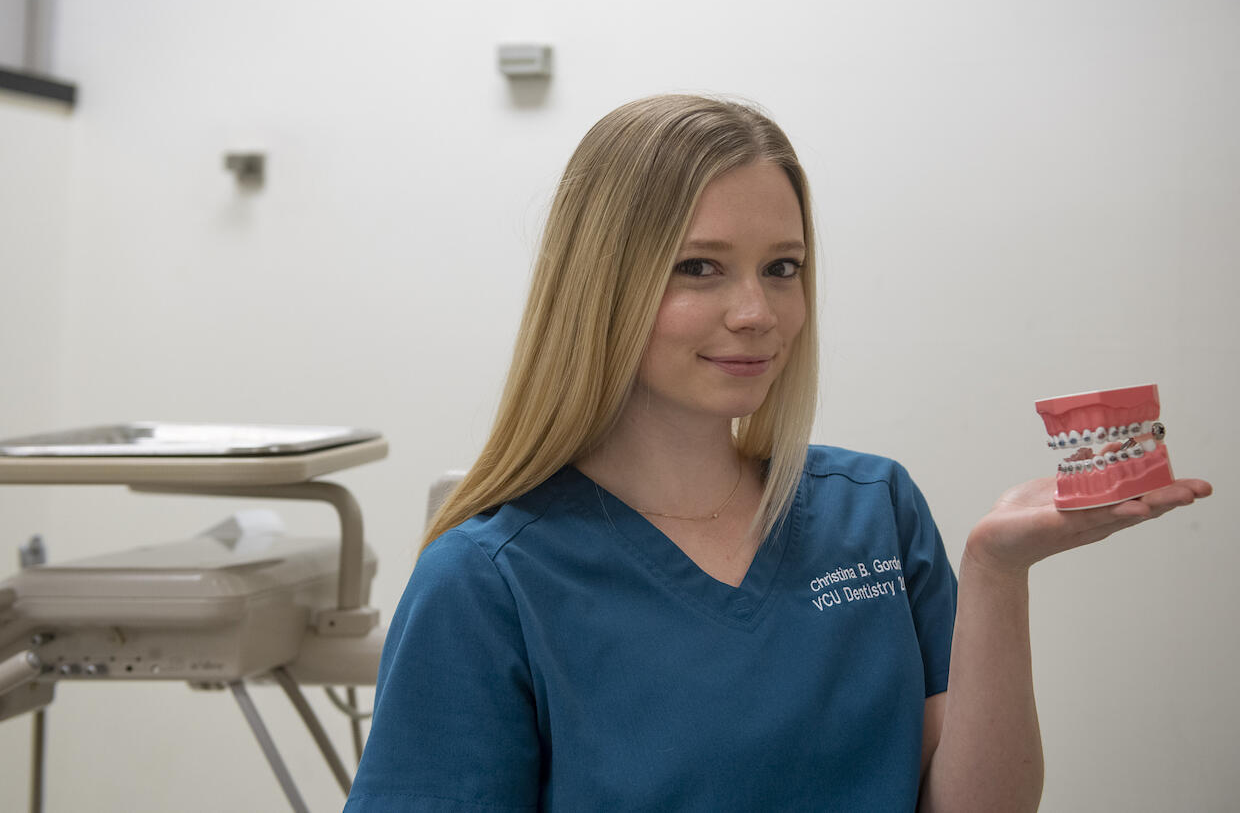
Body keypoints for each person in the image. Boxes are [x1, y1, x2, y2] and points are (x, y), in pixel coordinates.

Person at [343, 95, 1211, 812]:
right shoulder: (488, 581)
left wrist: (995, 572)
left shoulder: (872, 507)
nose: (757, 311)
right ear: (602, 286)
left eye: (783, 267)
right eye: (699, 268)